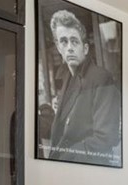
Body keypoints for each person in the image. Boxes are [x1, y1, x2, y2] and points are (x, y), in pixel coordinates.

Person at [45, 9, 121, 165]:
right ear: (59, 48)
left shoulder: (101, 78)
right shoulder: (68, 78)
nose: (70, 47)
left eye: (74, 41)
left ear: (85, 49)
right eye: (64, 41)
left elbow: (105, 138)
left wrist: (65, 157)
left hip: (87, 168)